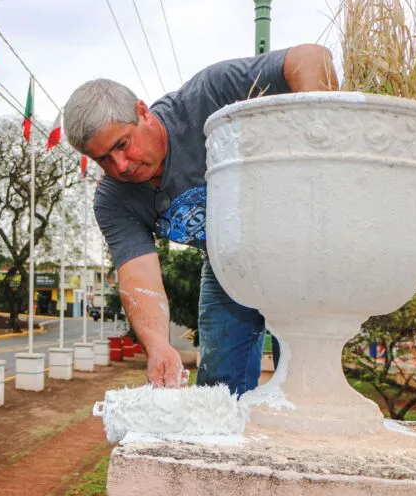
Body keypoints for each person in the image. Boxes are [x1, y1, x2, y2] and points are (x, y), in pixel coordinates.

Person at [63, 45, 338, 394]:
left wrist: (318, 131)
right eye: (103, 159)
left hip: (297, 251)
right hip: (226, 266)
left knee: (305, 382)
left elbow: (311, 58)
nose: (120, 165)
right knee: (218, 389)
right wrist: (159, 346)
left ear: (142, 112)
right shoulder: (113, 199)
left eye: (122, 144)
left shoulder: (210, 94)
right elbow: (138, 277)